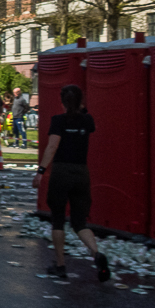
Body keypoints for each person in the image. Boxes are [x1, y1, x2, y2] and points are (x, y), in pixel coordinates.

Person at [33, 84, 110, 282]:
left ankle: (60, 265)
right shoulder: (87, 120)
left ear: (62, 101)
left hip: (61, 172)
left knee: (58, 219)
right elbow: (89, 123)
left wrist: (41, 171)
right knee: (79, 222)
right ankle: (96, 253)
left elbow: (52, 146)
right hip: (81, 173)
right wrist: (80, 107)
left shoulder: (58, 121)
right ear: (80, 101)